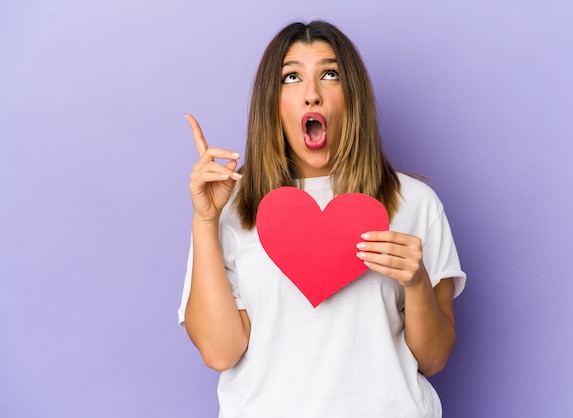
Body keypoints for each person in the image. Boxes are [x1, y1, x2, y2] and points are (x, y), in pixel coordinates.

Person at [178, 20, 466, 418]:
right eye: (292, 77)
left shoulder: (416, 204)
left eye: (330, 74)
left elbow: (433, 359)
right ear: (271, 103)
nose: (311, 94)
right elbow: (219, 351)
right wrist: (205, 222)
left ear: (353, 96)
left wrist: (416, 283)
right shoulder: (232, 208)